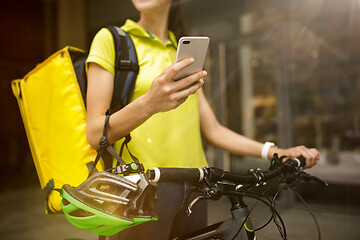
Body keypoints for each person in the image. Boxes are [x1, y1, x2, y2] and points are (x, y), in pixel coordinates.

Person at [85, 0, 320, 239]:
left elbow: (214, 130)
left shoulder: (181, 51)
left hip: (197, 187)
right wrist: (149, 103)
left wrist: (276, 152)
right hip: (141, 190)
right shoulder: (112, 40)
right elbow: (95, 134)